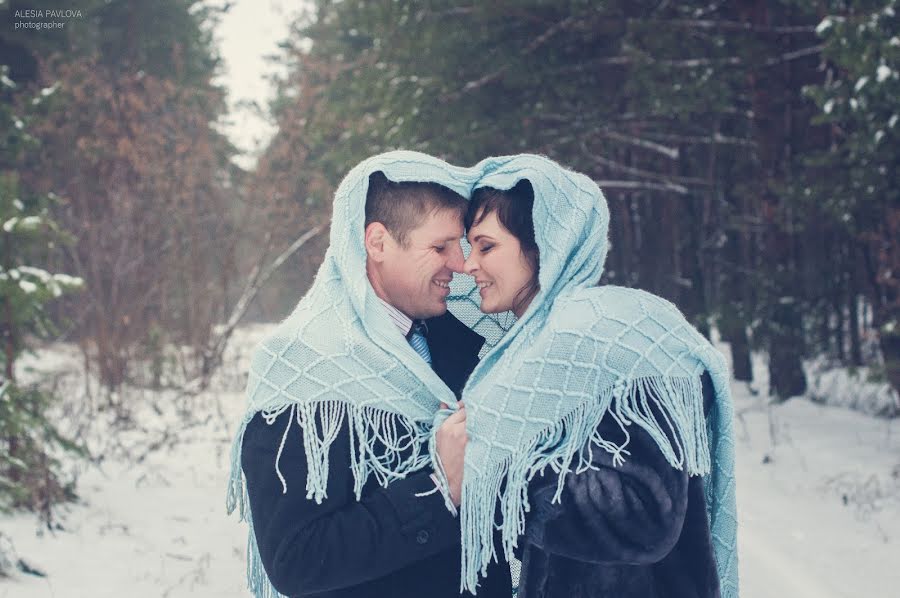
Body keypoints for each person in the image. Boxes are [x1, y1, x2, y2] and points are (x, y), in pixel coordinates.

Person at [434, 154, 738, 598]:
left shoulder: (609, 335)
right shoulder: (530, 349)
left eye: (486, 246)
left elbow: (644, 517)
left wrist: (488, 472)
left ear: (545, 245)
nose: (469, 265)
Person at [226, 152, 511, 598]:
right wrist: (438, 491)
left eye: (461, 245)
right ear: (377, 243)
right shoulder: (307, 365)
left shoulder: (470, 340)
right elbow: (296, 559)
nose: (459, 264)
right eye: (439, 247)